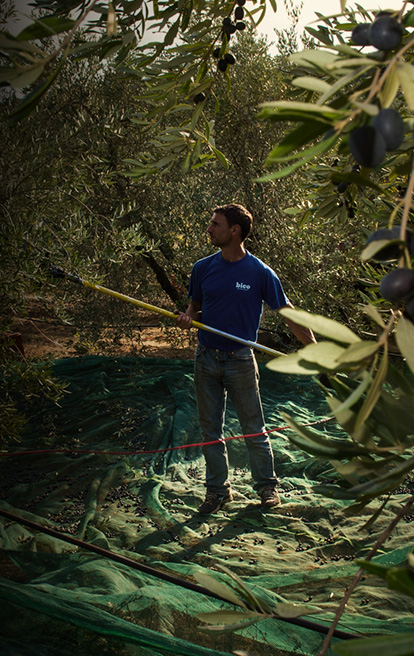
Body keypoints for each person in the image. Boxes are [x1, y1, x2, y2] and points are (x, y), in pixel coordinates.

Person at [176, 203, 316, 514]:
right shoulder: (202, 268)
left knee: (254, 427)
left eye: (215, 224)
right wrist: (187, 317)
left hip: (239, 359)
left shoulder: (259, 273)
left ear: (234, 230)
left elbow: (288, 313)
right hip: (206, 358)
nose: (210, 229)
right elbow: (195, 307)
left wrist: (313, 346)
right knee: (210, 430)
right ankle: (217, 491)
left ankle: (267, 487)